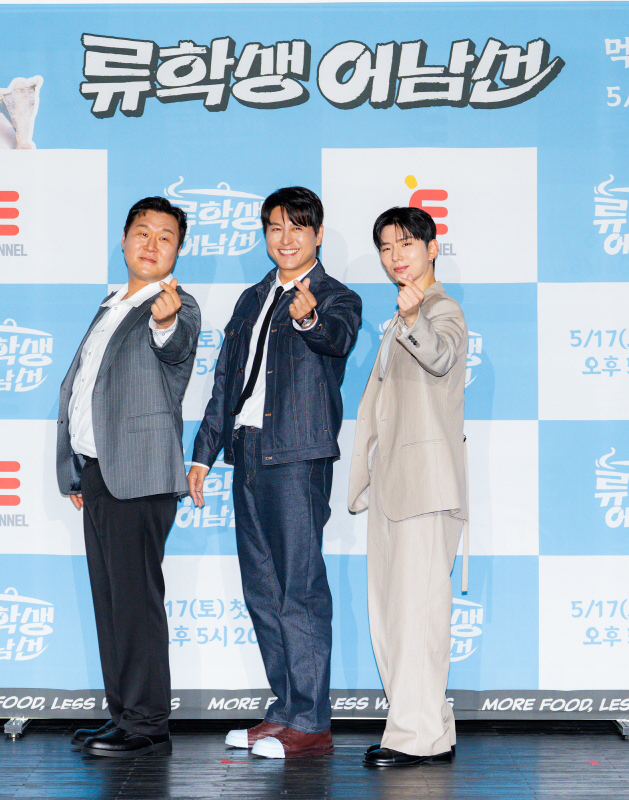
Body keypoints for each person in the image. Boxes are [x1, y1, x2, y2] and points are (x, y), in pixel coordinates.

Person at [188, 187, 362, 759]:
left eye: (297, 227)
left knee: (299, 589)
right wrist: (203, 453)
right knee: (263, 590)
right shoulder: (252, 297)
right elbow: (226, 380)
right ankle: (285, 711)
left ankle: (311, 722)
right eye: (275, 228)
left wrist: (308, 318)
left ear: (317, 234)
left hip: (296, 455)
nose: (285, 239)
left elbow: (336, 338)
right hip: (247, 452)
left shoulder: (337, 298)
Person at [57, 197, 200, 758]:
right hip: (100, 472)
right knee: (112, 601)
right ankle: (122, 714)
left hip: (139, 475)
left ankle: (146, 724)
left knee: (136, 603)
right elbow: (85, 389)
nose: (151, 244)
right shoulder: (112, 303)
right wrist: (77, 470)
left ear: (177, 251)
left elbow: (175, 346)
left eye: (166, 237)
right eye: (143, 232)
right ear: (123, 239)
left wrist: (165, 321)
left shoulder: (175, 306)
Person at [347, 206, 468, 768]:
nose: (396, 256)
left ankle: (414, 737)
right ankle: (428, 731)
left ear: (432, 248)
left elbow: (441, 356)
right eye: (386, 247)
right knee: (397, 617)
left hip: (424, 488)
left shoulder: (440, 309)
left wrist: (416, 317)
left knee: (416, 616)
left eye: (407, 244)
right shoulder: (401, 315)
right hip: (396, 486)